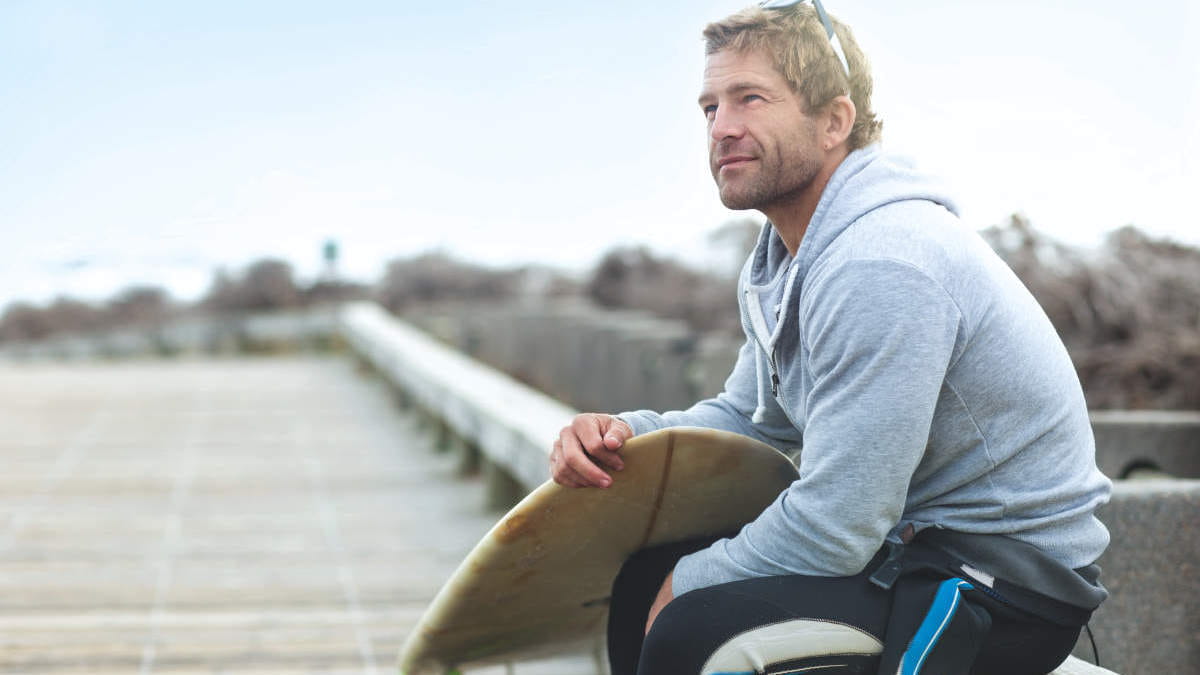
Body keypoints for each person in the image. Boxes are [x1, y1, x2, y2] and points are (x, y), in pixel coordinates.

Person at [549, 2, 1112, 674]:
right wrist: (622, 434)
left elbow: (835, 525)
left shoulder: (882, 263)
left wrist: (688, 585)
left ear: (833, 121)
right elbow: (750, 421)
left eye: (750, 99)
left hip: (1000, 581)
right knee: (648, 576)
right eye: (709, 108)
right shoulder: (788, 259)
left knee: (686, 627)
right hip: (907, 544)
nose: (722, 128)